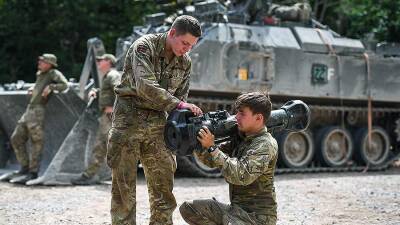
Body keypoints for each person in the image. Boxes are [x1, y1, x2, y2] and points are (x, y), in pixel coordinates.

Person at [107, 15, 202, 225]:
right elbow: (145, 85)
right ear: (172, 33)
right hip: (128, 119)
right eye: (184, 43)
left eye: (192, 46)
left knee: (163, 186)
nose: (187, 49)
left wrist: (184, 115)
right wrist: (178, 105)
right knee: (124, 188)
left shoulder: (185, 62)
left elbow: (182, 97)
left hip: (159, 123)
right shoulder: (144, 46)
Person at [180, 91, 279, 225]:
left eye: (242, 113)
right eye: (237, 112)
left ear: (258, 118)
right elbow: (210, 161)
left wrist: (213, 148)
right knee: (189, 208)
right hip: (236, 211)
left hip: (256, 218)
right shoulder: (242, 138)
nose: (236, 117)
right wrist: (198, 142)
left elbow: (241, 175)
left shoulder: (265, 144)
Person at [0, 53, 68, 184]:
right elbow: (39, 86)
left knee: (36, 141)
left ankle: (33, 172)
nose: (39, 63)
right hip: (29, 110)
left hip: (37, 110)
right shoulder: (40, 74)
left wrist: (51, 87)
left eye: (42, 61)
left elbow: (64, 85)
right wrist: (34, 88)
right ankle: (24, 167)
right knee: (16, 139)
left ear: (49, 64)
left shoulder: (53, 73)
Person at [72, 53, 121, 185]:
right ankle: (90, 174)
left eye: (101, 60)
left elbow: (121, 91)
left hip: (111, 117)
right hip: (107, 117)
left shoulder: (113, 75)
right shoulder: (108, 76)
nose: (98, 63)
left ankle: (92, 175)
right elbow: (109, 91)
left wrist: (114, 108)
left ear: (109, 62)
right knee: (102, 146)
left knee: (107, 146)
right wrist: (97, 92)